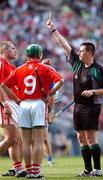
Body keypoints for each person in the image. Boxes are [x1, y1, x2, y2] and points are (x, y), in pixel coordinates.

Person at [46, 17, 103, 177]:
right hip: (78, 106)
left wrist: (93, 92)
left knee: (91, 137)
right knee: (81, 138)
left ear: (89, 52)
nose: (79, 53)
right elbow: (63, 45)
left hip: (92, 106)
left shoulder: (100, 69)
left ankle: (98, 170)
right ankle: (87, 170)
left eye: (82, 51)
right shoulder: (77, 63)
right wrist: (53, 30)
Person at [1, 43, 64, 179]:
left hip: (23, 105)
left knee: (26, 141)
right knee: (38, 141)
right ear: (40, 54)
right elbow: (61, 81)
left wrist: (16, 99)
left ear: (27, 55)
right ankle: (36, 172)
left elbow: (3, 85)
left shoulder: (19, 68)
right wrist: (49, 94)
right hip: (38, 104)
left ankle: (28, 171)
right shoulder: (44, 67)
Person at [0, 41, 25, 177]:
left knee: (17, 138)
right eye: (12, 48)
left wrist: (17, 100)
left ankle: (17, 168)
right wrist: (5, 104)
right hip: (5, 104)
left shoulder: (10, 66)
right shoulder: (1, 63)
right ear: (4, 51)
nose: (15, 51)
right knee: (11, 138)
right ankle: (17, 167)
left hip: (12, 103)